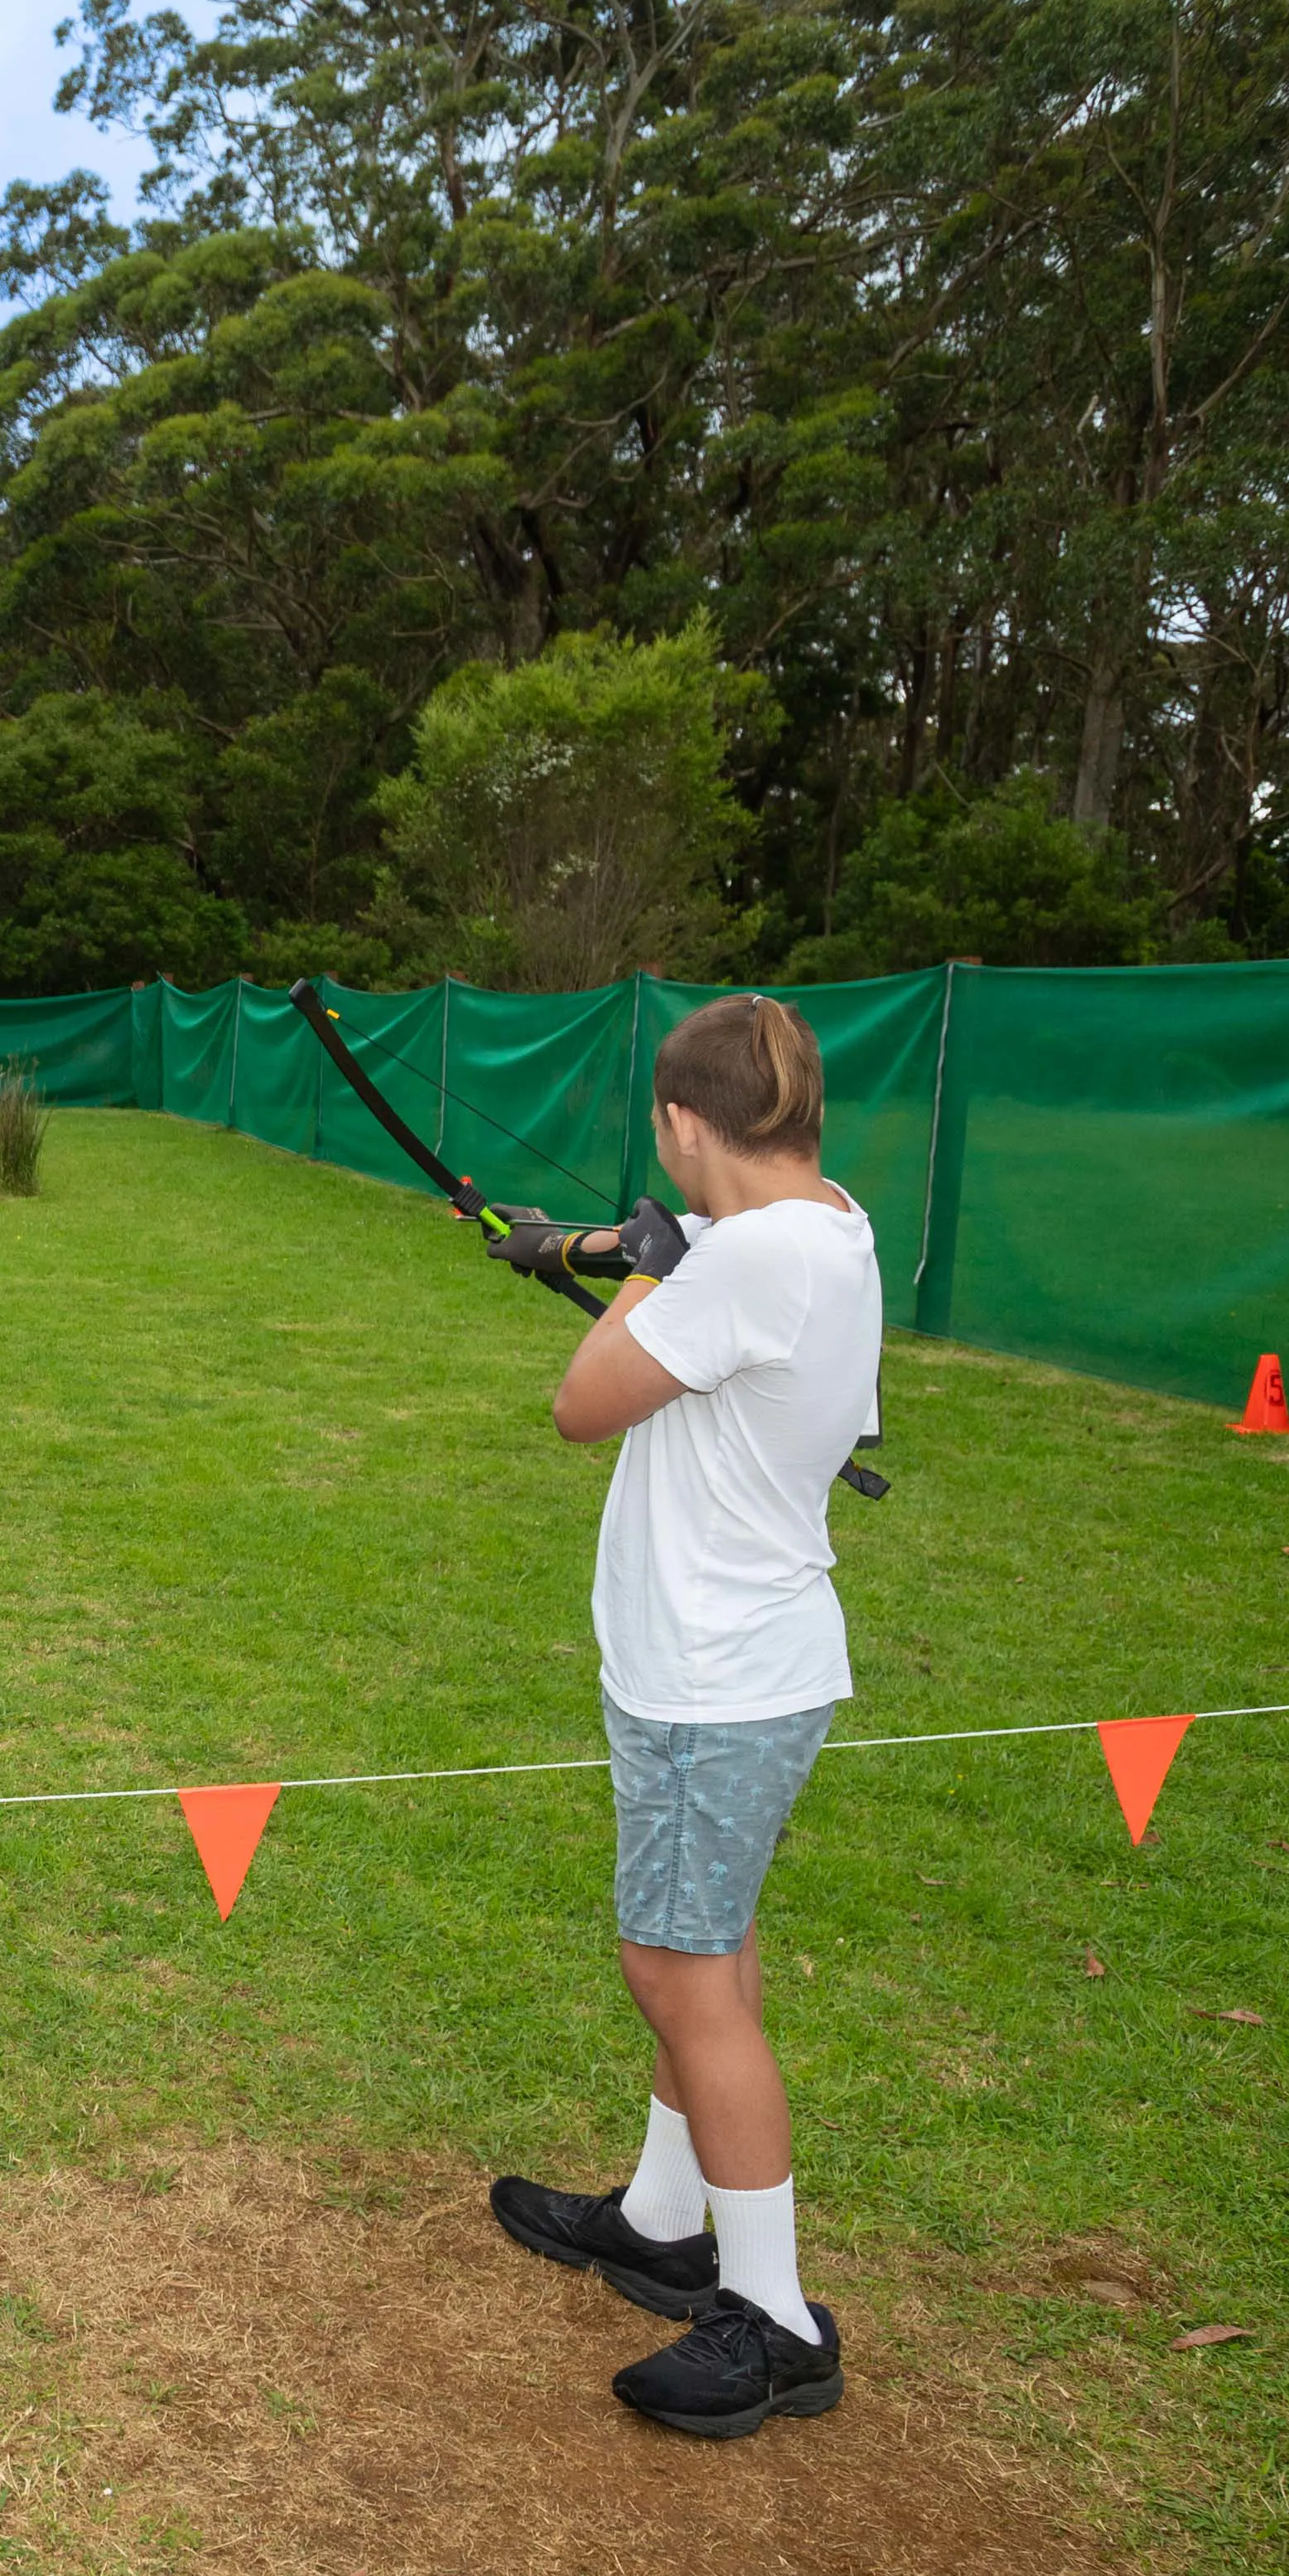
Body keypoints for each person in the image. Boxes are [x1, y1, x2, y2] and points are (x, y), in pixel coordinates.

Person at [481, 997, 883, 2438]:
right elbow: (699, 1257)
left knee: (679, 1973)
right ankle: (663, 2216)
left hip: (714, 1676)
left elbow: (583, 1403)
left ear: (681, 1123)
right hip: (743, 1663)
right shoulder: (828, 1220)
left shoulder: (748, 1258)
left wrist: (641, 1267)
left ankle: (771, 2313)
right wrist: (588, 1247)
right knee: (710, 1946)